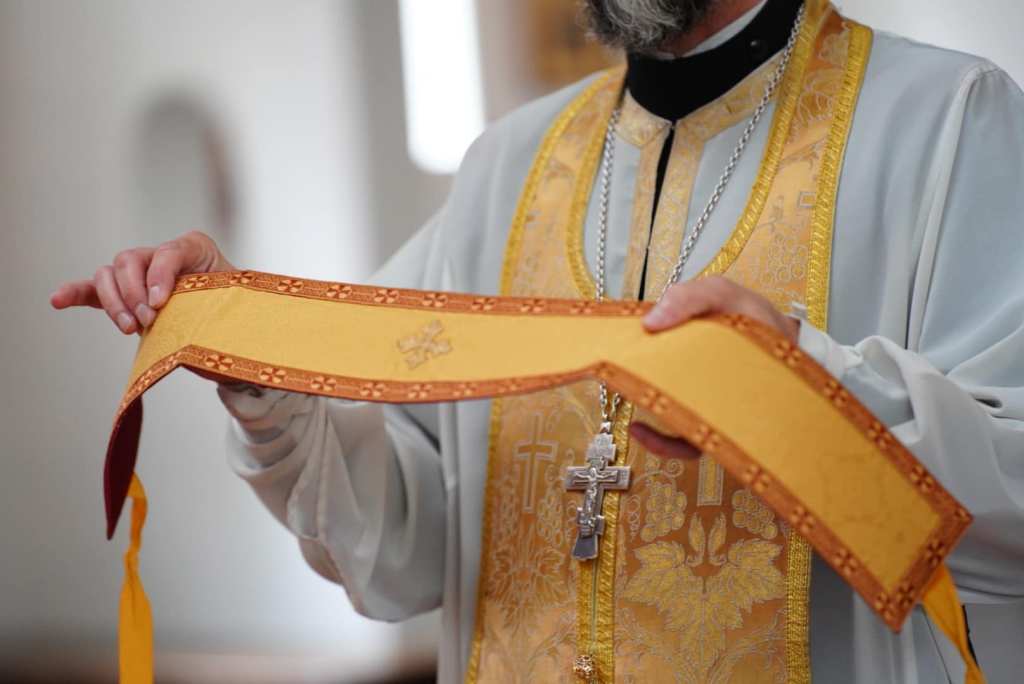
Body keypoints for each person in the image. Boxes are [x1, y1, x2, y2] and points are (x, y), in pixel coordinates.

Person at [52, 0, 1024, 681]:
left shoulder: (943, 119)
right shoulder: (509, 165)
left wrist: (793, 387)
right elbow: (404, 543)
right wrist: (258, 365)